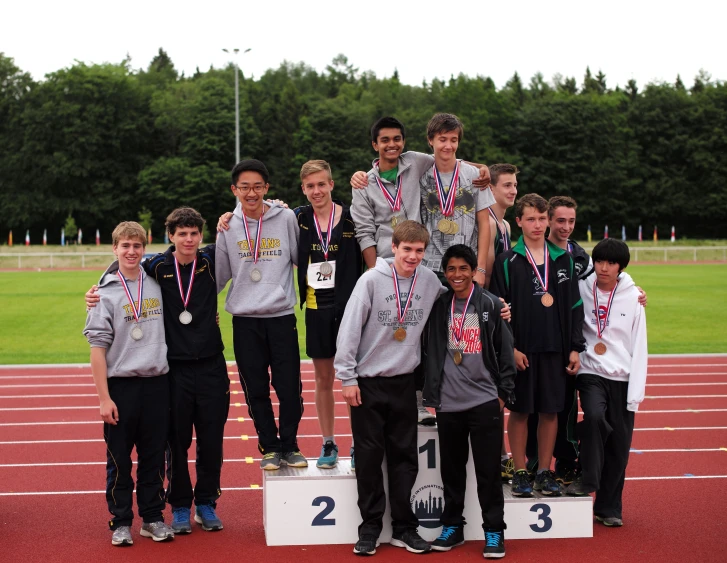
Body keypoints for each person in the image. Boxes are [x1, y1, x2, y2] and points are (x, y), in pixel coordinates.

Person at [87, 208, 229, 533]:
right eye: (182, 233)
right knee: (175, 443)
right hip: (174, 372)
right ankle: (179, 505)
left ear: (201, 235)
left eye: (194, 233)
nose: (189, 239)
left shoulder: (211, 262)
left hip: (211, 367)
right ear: (171, 236)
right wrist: (97, 288)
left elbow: (242, 245)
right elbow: (126, 262)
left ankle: (205, 503)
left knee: (211, 441)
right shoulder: (157, 267)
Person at [350, 116, 492, 425]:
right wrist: (377, 273)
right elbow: (364, 232)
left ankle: (454, 394)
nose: (392, 144)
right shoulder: (364, 183)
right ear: (375, 145)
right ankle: (401, 400)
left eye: (397, 139)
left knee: (449, 331)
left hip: (420, 263)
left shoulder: (414, 163)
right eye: (384, 140)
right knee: (403, 333)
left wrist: (482, 169)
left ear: (405, 142)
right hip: (388, 269)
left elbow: (450, 157)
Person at [335, 220, 445, 556]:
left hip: (402, 383)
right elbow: (349, 329)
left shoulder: (428, 281)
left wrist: (496, 304)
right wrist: (348, 377)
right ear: (393, 247)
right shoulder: (370, 280)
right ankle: (369, 528)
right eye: (407, 249)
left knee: (405, 458)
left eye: (419, 251)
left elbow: (459, 296)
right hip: (368, 384)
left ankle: (404, 528)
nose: (413, 256)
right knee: (369, 459)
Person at [420, 244, 516, 558]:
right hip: (449, 405)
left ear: (474, 271)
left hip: (485, 403)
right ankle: (453, 526)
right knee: (452, 471)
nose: (457, 275)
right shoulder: (439, 306)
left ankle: (494, 532)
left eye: (464, 268)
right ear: (445, 273)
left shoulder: (489, 304)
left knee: (489, 472)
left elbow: (505, 354)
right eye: (451, 269)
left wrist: (501, 395)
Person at [83, 221, 174, 546]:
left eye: (137, 246)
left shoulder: (157, 281)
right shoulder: (102, 293)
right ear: (115, 249)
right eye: (125, 246)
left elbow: (185, 252)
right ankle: (120, 522)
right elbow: (97, 350)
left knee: (153, 458)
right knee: (119, 461)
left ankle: (151, 518)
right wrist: (103, 398)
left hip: (156, 384)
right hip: (120, 387)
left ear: (145, 246)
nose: (132, 251)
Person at [490, 194, 585, 498]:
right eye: (531, 219)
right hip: (522, 351)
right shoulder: (507, 261)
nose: (537, 225)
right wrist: (511, 349)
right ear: (518, 221)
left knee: (550, 411)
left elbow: (574, 306)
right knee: (519, 411)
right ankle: (520, 471)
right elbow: (498, 309)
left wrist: (574, 347)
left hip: (555, 350)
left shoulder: (563, 259)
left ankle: (545, 471)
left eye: (542, 219)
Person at [216, 159, 305, 471]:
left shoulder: (286, 219)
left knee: (289, 387)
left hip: (280, 316)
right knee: (255, 389)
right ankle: (269, 445)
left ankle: (290, 444)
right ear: (234, 190)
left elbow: (301, 258)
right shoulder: (227, 227)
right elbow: (217, 276)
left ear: (267, 188)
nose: (251, 192)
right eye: (244, 187)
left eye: (257, 186)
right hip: (245, 321)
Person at [567, 239, 647, 528]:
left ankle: (608, 508)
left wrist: (635, 392)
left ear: (621, 267)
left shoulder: (634, 298)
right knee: (595, 417)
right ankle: (586, 474)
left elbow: (640, 345)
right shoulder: (581, 289)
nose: (603, 267)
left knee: (619, 447)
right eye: (599, 261)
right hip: (590, 372)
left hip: (622, 377)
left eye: (611, 263)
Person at [294, 160, 363, 468]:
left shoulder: (352, 217)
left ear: (332, 185)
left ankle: (359, 442)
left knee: (353, 377)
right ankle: (328, 442)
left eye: (321, 184)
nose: (316, 191)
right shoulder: (297, 218)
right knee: (323, 379)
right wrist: (230, 215)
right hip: (315, 307)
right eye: (310, 186)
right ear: (303, 189)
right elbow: (257, 213)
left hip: (350, 308)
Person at [481, 162, 519, 482]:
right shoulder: (490, 224)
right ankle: (497, 453)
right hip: (488, 316)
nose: (513, 191)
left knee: (502, 386)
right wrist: (495, 308)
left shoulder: (506, 227)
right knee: (490, 385)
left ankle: (502, 452)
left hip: (500, 312)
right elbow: (486, 277)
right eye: (506, 185)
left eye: (515, 185)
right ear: (491, 188)